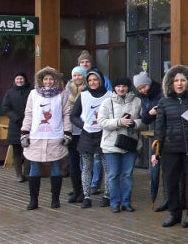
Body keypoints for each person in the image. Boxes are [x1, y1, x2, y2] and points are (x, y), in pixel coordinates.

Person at [152, 65, 188, 228]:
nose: (179, 84)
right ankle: (174, 213)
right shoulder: (164, 102)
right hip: (170, 148)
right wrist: (156, 151)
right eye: (176, 81)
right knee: (171, 182)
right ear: (170, 83)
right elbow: (159, 127)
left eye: (183, 80)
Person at [21, 67, 73, 210]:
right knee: (34, 168)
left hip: (55, 136)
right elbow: (29, 114)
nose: (48, 81)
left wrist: (67, 132)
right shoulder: (33, 94)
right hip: (36, 136)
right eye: (46, 79)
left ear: (55, 80)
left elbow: (66, 114)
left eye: (51, 79)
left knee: (56, 167)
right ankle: (33, 200)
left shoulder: (62, 94)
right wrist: (24, 132)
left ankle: (55, 199)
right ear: (41, 80)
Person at [98, 77, 144, 212]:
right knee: (113, 175)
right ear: (114, 88)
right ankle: (114, 203)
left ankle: (126, 202)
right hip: (111, 144)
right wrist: (119, 122)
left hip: (130, 143)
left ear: (128, 87)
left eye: (124, 86)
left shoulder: (137, 101)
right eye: (118, 86)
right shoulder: (107, 102)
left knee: (128, 175)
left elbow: (145, 121)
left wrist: (134, 123)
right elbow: (101, 121)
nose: (121, 89)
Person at [70, 70, 111, 209]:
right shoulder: (83, 95)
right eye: (90, 80)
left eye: (95, 79)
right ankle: (87, 197)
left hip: (104, 135)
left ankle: (107, 196)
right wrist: (83, 125)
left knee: (107, 167)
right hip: (87, 135)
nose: (93, 82)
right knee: (87, 167)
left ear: (101, 80)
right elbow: (73, 115)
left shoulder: (109, 95)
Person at [134, 70, 167, 211]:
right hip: (156, 132)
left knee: (167, 168)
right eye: (140, 88)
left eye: (144, 87)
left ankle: (170, 199)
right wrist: (150, 113)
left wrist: (155, 112)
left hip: (167, 132)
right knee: (156, 166)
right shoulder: (144, 98)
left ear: (149, 84)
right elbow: (145, 119)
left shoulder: (161, 93)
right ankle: (160, 198)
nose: (143, 90)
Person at [1, 72, 33, 183]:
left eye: (21, 78)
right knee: (16, 149)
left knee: (29, 148)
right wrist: (16, 118)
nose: (19, 81)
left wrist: (29, 118)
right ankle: (19, 174)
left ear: (25, 79)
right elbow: (6, 108)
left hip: (30, 124)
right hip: (15, 124)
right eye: (17, 79)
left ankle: (26, 172)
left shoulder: (31, 91)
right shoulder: (10, 93)